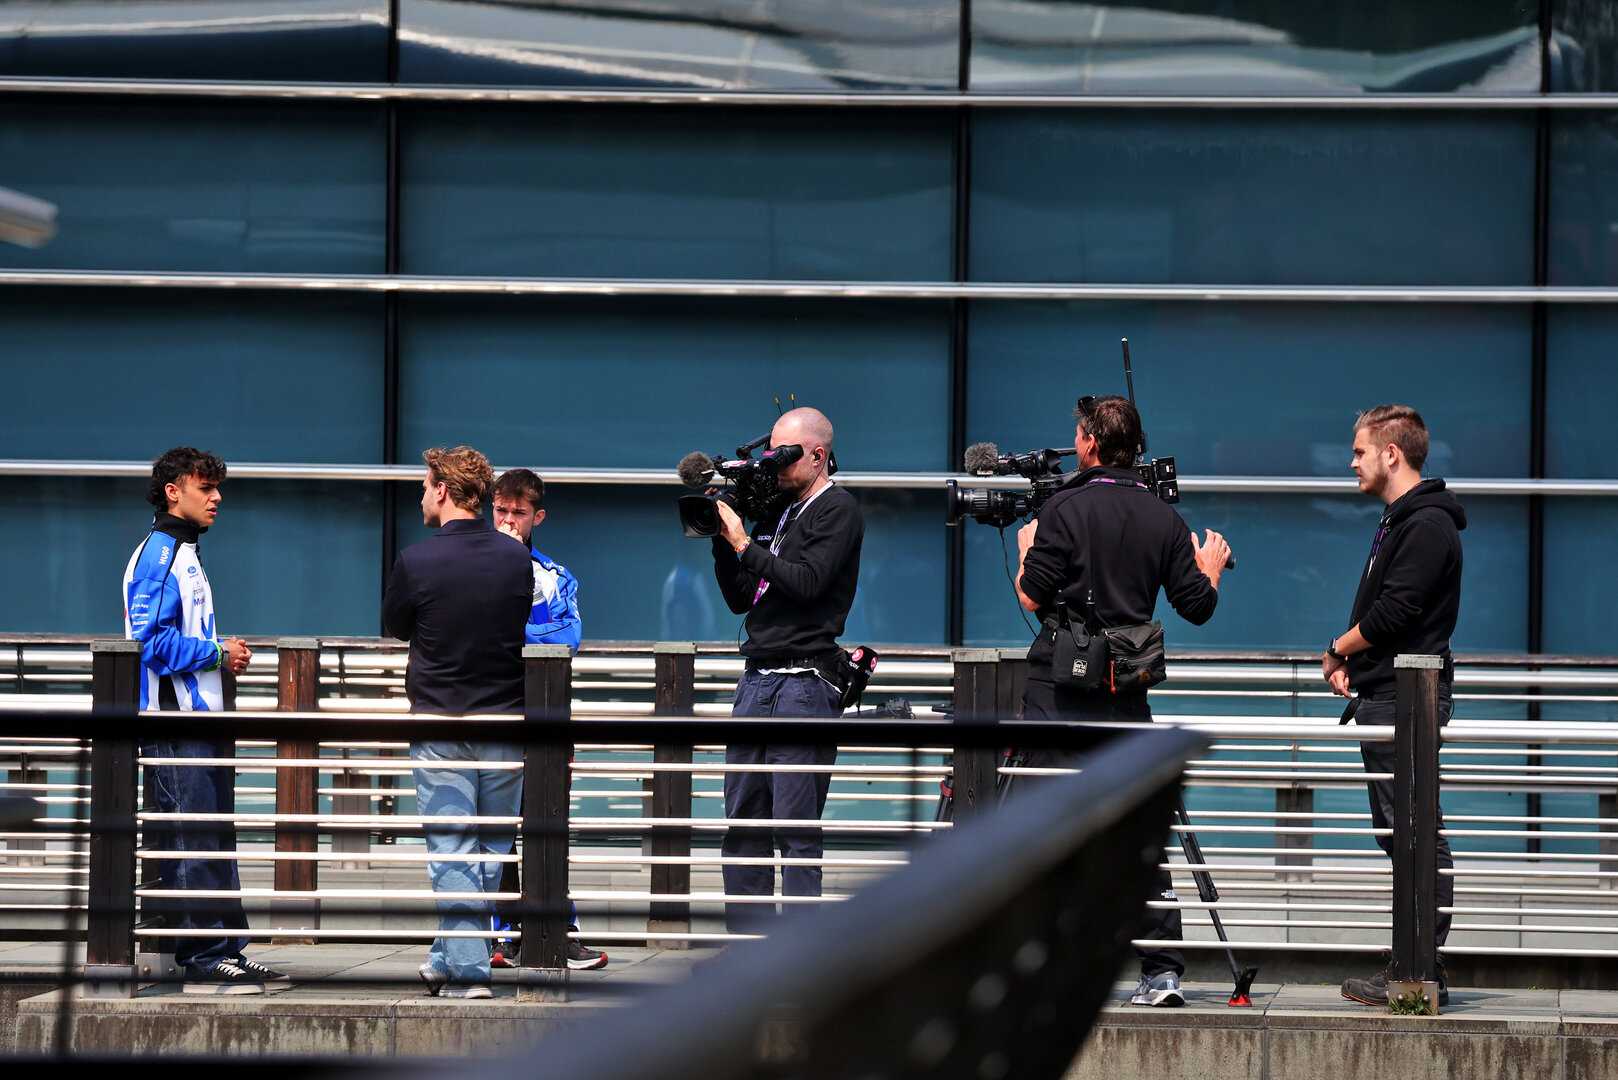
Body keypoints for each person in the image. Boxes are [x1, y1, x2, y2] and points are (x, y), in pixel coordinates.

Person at [1014, 395, 1230, 1008]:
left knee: (1048, 822)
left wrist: (1029, 545)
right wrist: (1210, 567)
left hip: (1059, 691)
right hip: (1126, 688)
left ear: (1089, 442)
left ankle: (1051, 966)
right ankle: (1161, 971)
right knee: (1138, 826)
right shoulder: (1164, 517)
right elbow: (1197, 606)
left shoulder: (1061, 508)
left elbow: (1031, 596)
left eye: (1077, 436)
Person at [123, 447, 286, 994]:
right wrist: (218, 653)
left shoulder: (184, 550)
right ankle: (202, 957)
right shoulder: (160, 553)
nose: (217, 498)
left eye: (218, 488)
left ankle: (226, 950)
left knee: (214, 835)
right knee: (192, 835)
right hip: (174, 724)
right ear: (173, 492)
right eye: (205, 488)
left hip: (201, 720)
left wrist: (219, 654)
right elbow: (148, 643)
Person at [1326, 405, 1465, 1008]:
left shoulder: (1426, 524)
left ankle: (1419, 970)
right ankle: (1415, 964)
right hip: (1390, 693)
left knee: (1414, 830)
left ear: (1391, 453)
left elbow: (1395, 612)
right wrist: (1354, 664)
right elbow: (1387, 612)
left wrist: (1337, 650)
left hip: (1408, 699)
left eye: (1359, 451)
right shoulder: (1404, 520)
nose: (1351, 462)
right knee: (1401, 830)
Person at [383, 446, 533, 999]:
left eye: (425, 486)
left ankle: (470, 975)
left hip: (441, 723)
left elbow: (396, 627)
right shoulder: (517, 558)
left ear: (443, 490)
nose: (422, 496)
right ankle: (447, 957)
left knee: (452, 848)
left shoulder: (414, 561)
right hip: (506, 721)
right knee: (490, 850)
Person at [709, 407, 864, 933]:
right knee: (743, 824)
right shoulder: (780, 510)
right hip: (757, 679)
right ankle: (747, 951)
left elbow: (808, 583)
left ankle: (797, 960)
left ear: (818, 456)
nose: (774, 464)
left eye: (785, 454)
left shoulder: (838, 509)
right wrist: (722, 543)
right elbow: (741, 597)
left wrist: (742, 544)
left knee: (795, 829)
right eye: (771, 452)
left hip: (804, 684)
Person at [486, 468, 605, 971]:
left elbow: (567, 638)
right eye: (500, 510)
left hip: (544, 714)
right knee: (494, 830)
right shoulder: (469, 566)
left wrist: (507, 638)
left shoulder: (554, 575)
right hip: (488, 713)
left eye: (518, 513)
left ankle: (561, 933)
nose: (508, 521)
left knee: (546, 824)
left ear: (538, 516)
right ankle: (505, 937)